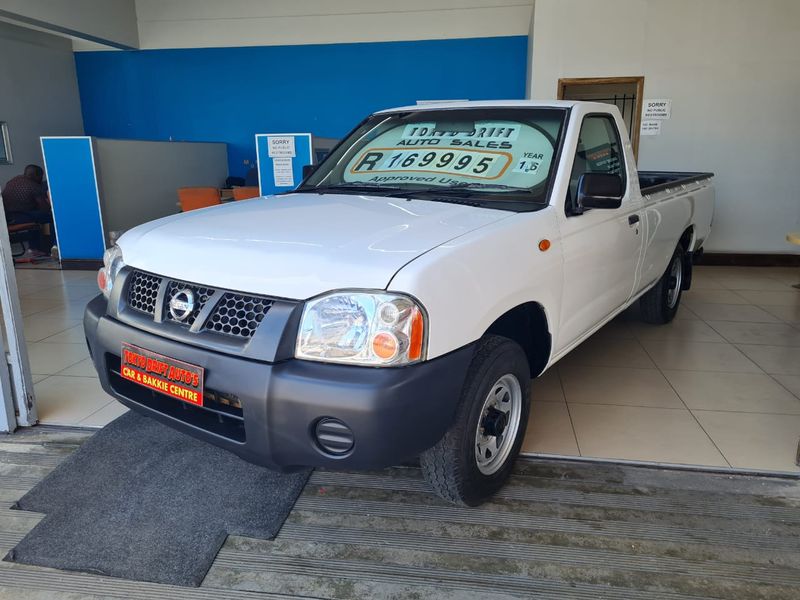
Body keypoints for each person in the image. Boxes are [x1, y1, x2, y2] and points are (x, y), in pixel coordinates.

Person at [2, 164, 57, 255]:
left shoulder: (12, 181)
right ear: (35, 175)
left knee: (37, 216)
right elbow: (44, 207)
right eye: (40, 176)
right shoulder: (33, 185)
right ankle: (54, 246)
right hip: (20, 216)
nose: (41, 178)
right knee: (52, 217)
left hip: (6, 218)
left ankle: (33, 248)